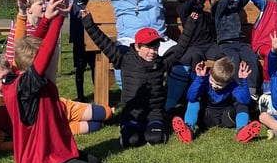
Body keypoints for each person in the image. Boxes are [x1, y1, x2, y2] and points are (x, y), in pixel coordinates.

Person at [1, 0, 101, 163]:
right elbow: (43, 52)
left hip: (53, 151)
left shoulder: (25, 76)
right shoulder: (24, 88)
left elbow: (34, 47)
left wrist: (48, 19)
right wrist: (58, 21)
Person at [82, 9, 197, 148]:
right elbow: (103, 42)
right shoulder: (124, 59)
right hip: (132, 113)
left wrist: (190, 23)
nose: (152, 52)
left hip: (153, 113)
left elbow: (180, 49)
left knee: (155, 139)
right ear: (137, 46)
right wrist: (88, 21)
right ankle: (128, 130)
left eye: (155, 47)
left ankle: (155, 129)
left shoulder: (160, 63)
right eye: (148, 47)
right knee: (132, 141)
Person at [0, 57, 112, 152]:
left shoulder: (21, 79)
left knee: (106, 113)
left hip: (63, 109)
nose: (8, 80)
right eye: (2, 79)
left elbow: (20, 50)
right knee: (97, 125)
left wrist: (21, 17)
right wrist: (24, 143)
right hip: (50, 128)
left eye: (9, 75)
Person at [165, 0, 224, 114]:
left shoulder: (196, 5)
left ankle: (221, 95)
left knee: (222, 59)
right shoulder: (183, 8)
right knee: (195, 62)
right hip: (194, 47)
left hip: (209, 45)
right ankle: (197, 97)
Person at [172, 58, 262, 144]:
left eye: (219, 84)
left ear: (228, 82)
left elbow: (245, 101)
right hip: (206, 117)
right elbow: (190, 97)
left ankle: (242, 130)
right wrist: (199, 78)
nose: (214, 85)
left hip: (226, 117)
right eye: (212, 81)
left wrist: (243, 81)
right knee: (194, 101)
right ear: (210, 73)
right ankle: (188, 128)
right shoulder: (205, 80)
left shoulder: (232, 84)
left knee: (242, 105)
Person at [210, 0, 260, 101]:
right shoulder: (217, 10)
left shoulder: (233, 7)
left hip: (239, 42)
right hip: (226, 45)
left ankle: (251, 91)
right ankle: (237, 91)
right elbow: (224, 1)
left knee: (251, 58)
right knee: (234, 62)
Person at [68, 0, 107, 102]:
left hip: (95, 40)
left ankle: (99, 95)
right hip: (79, 40)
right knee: (80, 68)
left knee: (96, 68)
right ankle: (80, 96)